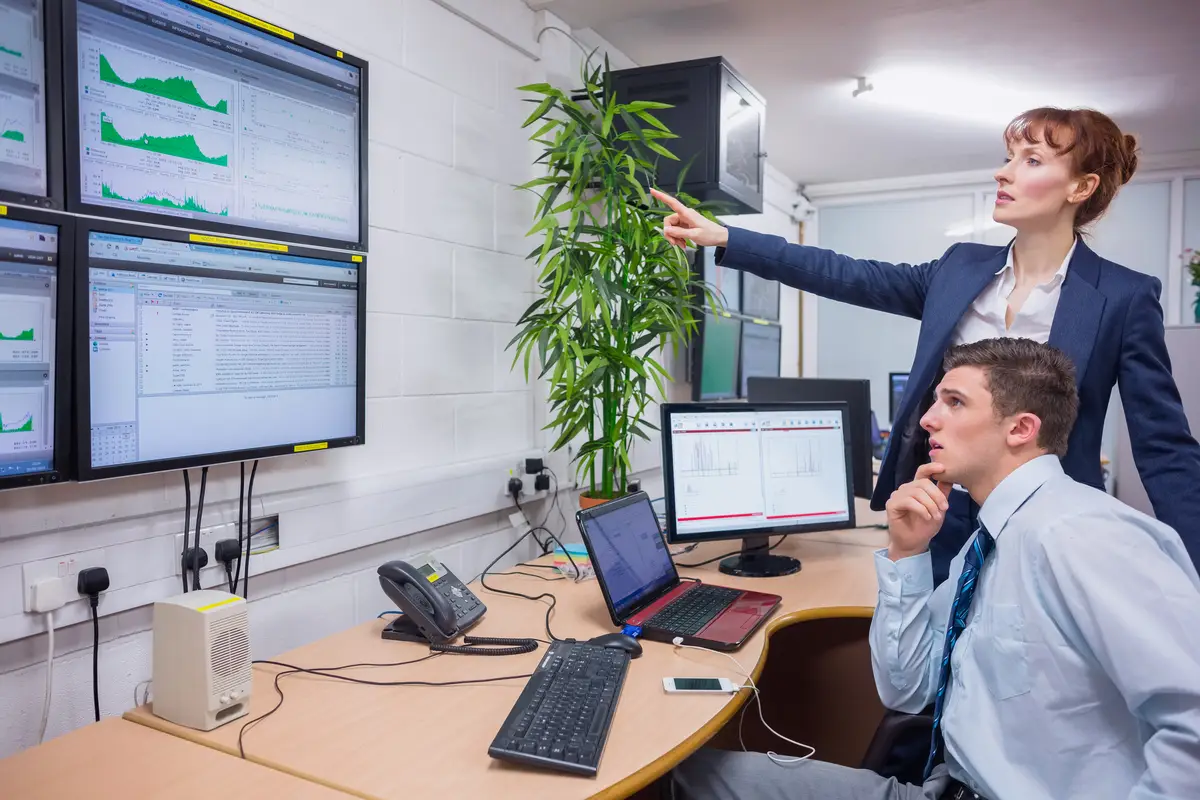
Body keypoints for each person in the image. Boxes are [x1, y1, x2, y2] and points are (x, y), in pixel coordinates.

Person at [651, 106, 1200, 586]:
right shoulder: (960, 268)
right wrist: (729, 238)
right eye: (1009, 156)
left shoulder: (1123, 297)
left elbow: (1164, 447)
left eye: (1030, 160)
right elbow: (847, 274)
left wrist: (1193, 570)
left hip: (1048, 522)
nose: (1003, 171)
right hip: (940, 509)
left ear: (1080, 187)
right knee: (930, 661)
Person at [670, 337, 1200, 800]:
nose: (927, 417)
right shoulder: (991, 539)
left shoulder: (1082, 535)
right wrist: (907, 554)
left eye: (954, 401)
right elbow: (906, 690)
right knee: (686, 776)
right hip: (946, 785)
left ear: (1021, 428)